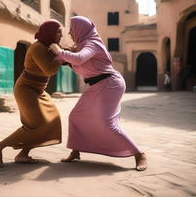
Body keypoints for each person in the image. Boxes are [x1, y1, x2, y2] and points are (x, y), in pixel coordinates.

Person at [50, 16, 147, 171]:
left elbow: (79, 59)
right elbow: (73, 60)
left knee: (108, 124)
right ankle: (76, 151)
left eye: (72, 30)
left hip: (111, 84)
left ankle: (139, 153)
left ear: (81, 30)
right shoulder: (81, 46)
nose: (70, 34)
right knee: (76, 116)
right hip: (96, 85)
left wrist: (59, 50)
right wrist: (57, 54)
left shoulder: (92, 43)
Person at [0, 20, 63, 166]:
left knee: (52, 120)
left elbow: (65, 56)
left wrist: (68, 52)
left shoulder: (50, 46)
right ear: (50, 32)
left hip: (39, 91)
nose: (61, 35)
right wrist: (60, 55)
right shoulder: (37, 48)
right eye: (58, 31)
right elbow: (49, 70)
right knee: (36, 125)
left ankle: (22, 155)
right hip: (26, 89)